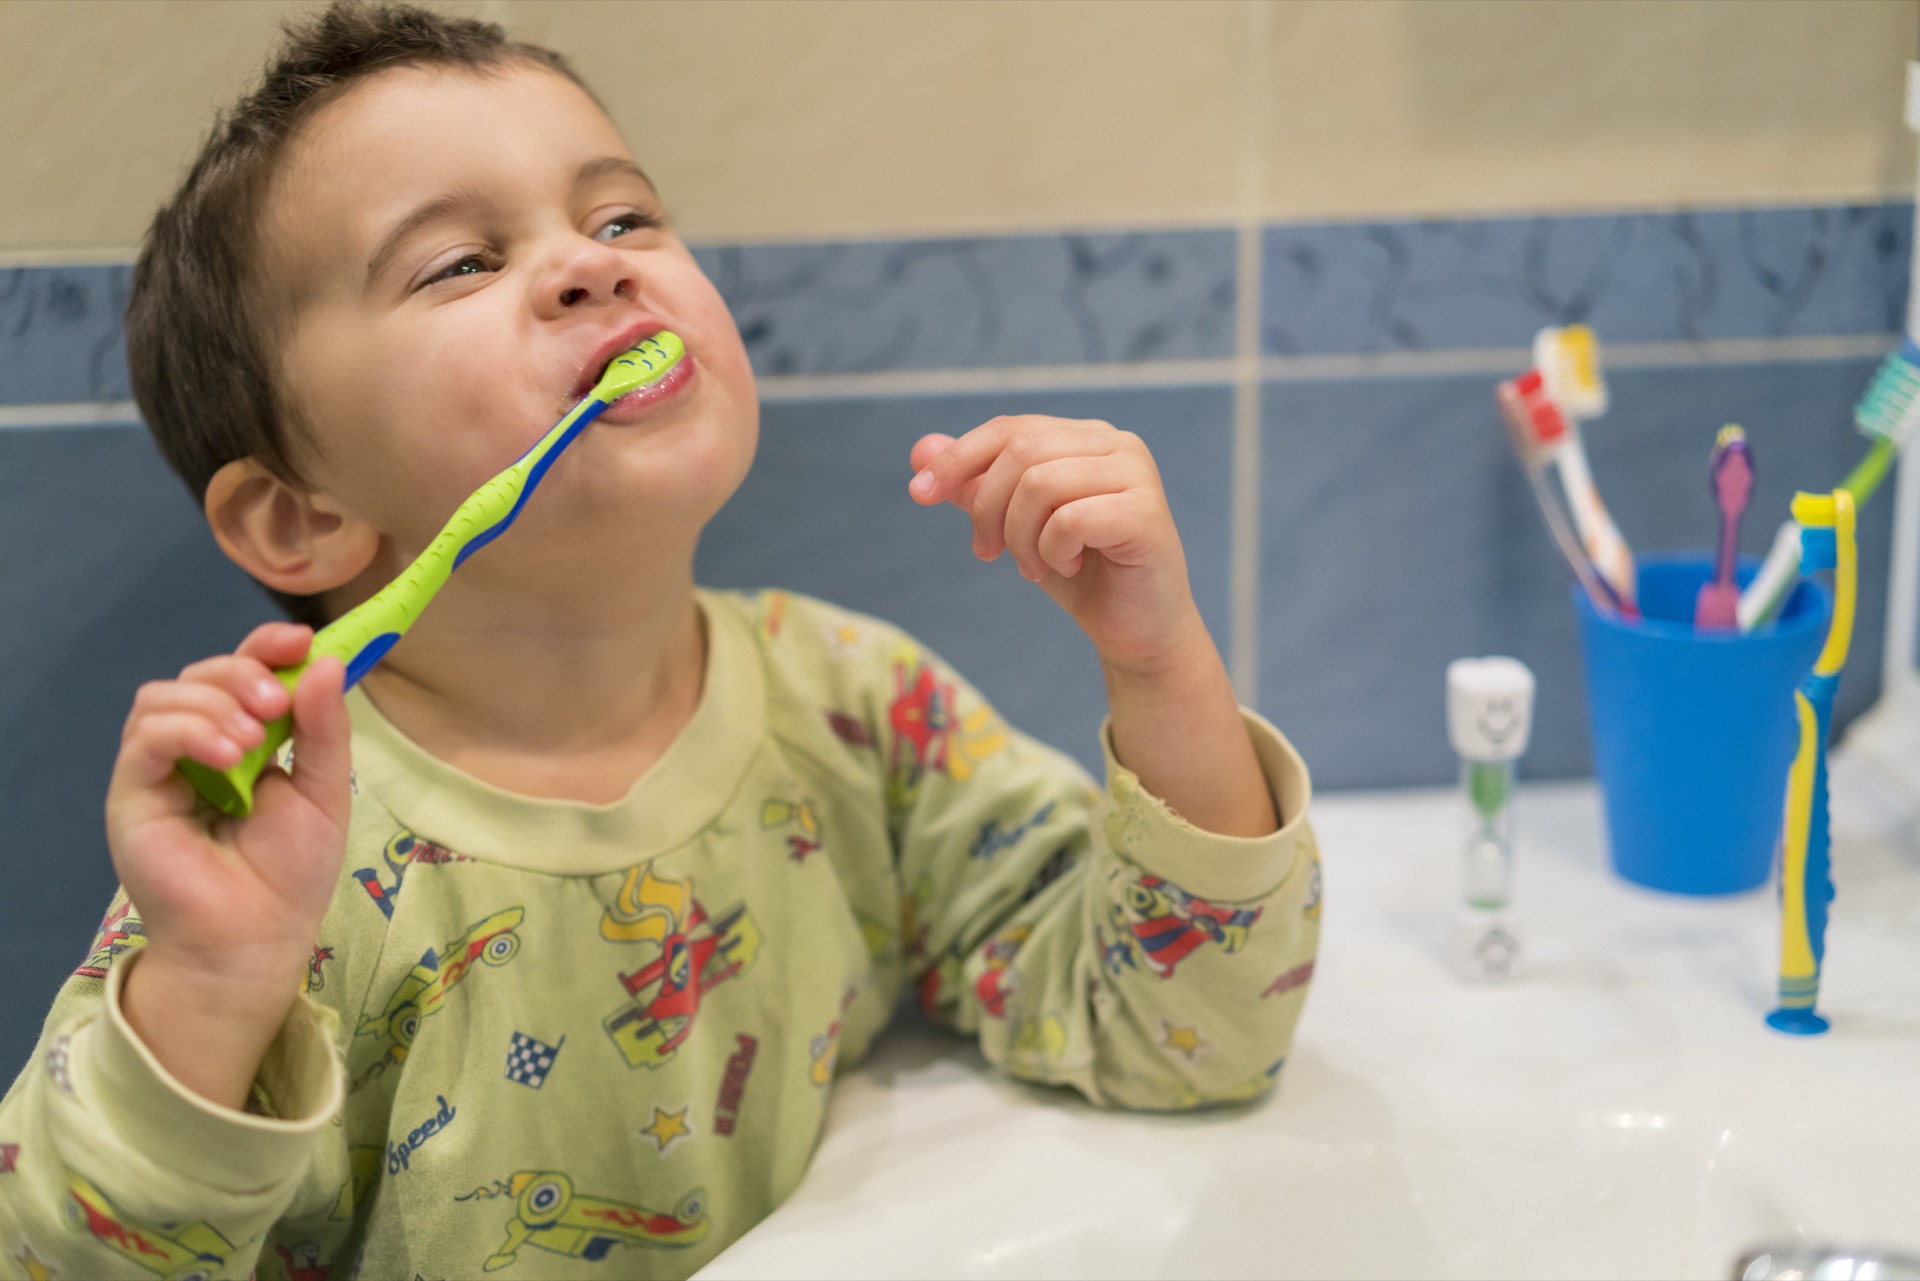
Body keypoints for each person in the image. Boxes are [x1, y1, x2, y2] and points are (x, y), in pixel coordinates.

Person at [0, 5, 1321, 1277]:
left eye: (622, 213)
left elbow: (1184, 1037)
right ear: (299, 515)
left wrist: (1157, 660)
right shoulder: (277, 856)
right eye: (461, 260)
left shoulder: (857, 708)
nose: (594, 261)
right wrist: (219, 986)